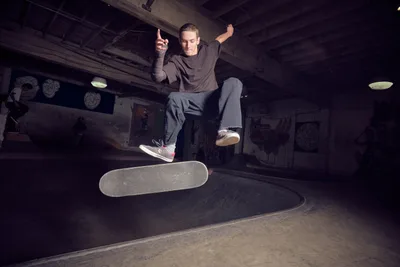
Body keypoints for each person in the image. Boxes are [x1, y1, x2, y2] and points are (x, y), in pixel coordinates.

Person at [139, 23, 243, 162]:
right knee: (174, 97)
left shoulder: (208, 51)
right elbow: (158, 76)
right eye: (184, 41)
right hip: (192, 105)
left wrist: (229, 33)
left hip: (213, 102)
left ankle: (224, 131)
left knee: (234, 82)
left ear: (198, 40)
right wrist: (160, 54)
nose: (188, 45)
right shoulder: (177, 61)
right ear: (180, 41)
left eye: (192, 41)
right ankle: (168, 149)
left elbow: (219, 39)